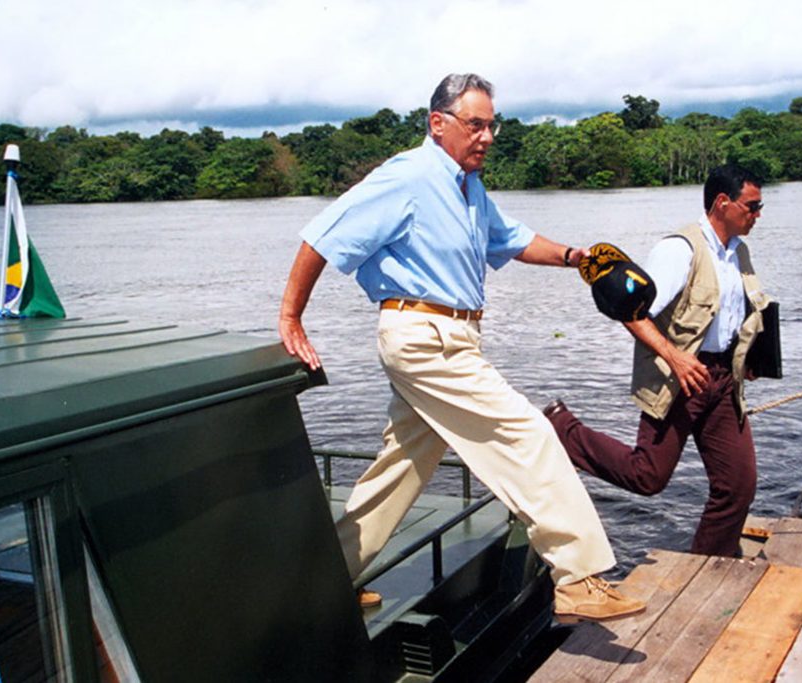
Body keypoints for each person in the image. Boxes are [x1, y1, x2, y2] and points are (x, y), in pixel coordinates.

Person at [278, 73, 644, 622]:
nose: (488, 136)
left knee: (402, 466)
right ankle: (576, 576)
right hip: (425, 338)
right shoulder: (408, 177)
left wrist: (578, 257)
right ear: (438, 123)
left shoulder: (468, 188)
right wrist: (291, 316)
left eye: (492, 125)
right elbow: (323, 235)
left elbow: (515, 240)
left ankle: (328, 579)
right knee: (527, 434)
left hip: (452, 335)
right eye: (476, 124)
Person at [545, 164, 770, 558]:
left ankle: (712, 563)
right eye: (752, 206)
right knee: (647, 476)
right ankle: (562, 428)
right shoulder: (679, 250)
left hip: (722, 381)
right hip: (681, 379)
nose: (758, 214)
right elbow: (629, 310)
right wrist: (675, 358)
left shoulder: (739, 252)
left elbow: (736, 312)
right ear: (723, 203)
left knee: (738, 484)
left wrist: (749, 357)